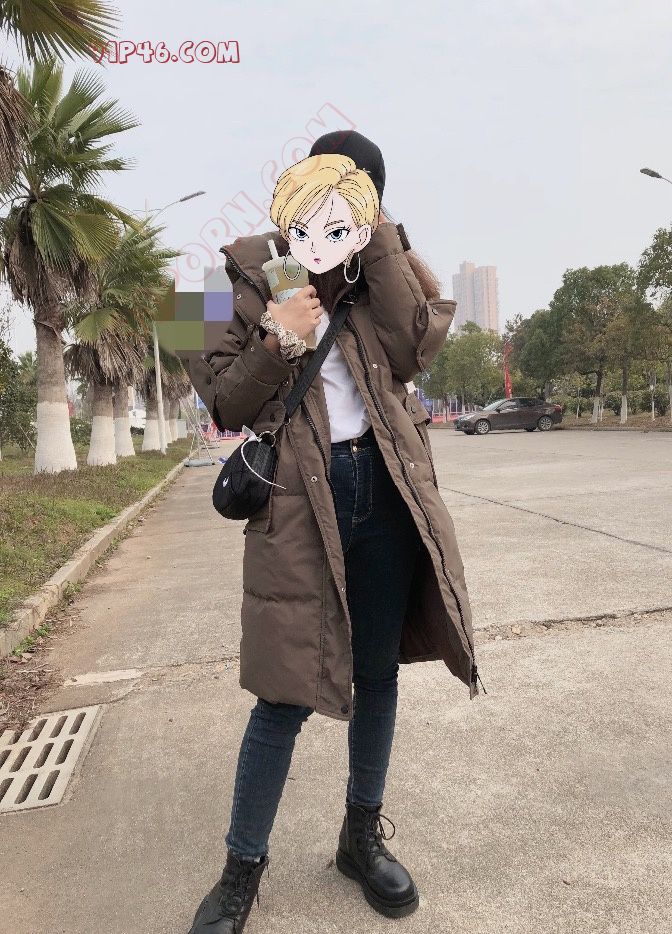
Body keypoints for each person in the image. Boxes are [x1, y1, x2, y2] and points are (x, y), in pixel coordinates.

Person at [186, 130, 481, 934]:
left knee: (378, 677)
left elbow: (415, 350)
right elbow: (223, 405)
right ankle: (241, 871)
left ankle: (360, 838)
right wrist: (278, 334)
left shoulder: (380, 268)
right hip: (295, 506)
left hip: (387, 493)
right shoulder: (223, 277)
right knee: (282, 694)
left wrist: (381, 242)